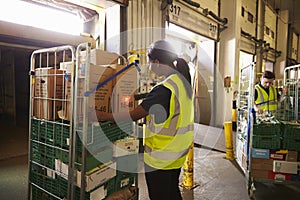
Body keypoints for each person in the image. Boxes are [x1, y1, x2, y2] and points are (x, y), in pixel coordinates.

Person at [95, 39, 194, 200]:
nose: (149, 67)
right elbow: (160, 101)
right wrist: (138, 96)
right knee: (172, 192)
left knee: (160, 196)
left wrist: (106, 116)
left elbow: (134, 115)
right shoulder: (181, 82)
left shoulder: (164, 89)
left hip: (161, 156)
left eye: (149, 62)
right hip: (178, 152)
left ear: (156, 62)